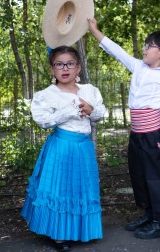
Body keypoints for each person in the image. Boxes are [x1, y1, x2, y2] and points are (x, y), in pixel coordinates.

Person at [88, 18, 160, 239]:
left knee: (156, 178)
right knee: (138, 174)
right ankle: (149, 214)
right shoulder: (138, 66)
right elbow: (116, 51)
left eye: (149, 46)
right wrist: (95, 31)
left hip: (153, 135)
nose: (144, 49)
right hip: (136, 134)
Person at [21, 46, 106, 251]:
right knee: (59, 188)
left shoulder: (89, 90)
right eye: (59, 64)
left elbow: (101, 114)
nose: (65, 68)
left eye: (70, 64)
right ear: (52, 69)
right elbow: (43, 121)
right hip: (61, 147)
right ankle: (59, 234)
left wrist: (90, 109)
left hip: (83, 148)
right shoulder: (46, 95)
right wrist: (68, 111)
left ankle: (80, 230)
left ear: (78, 68)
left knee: (81, 189)